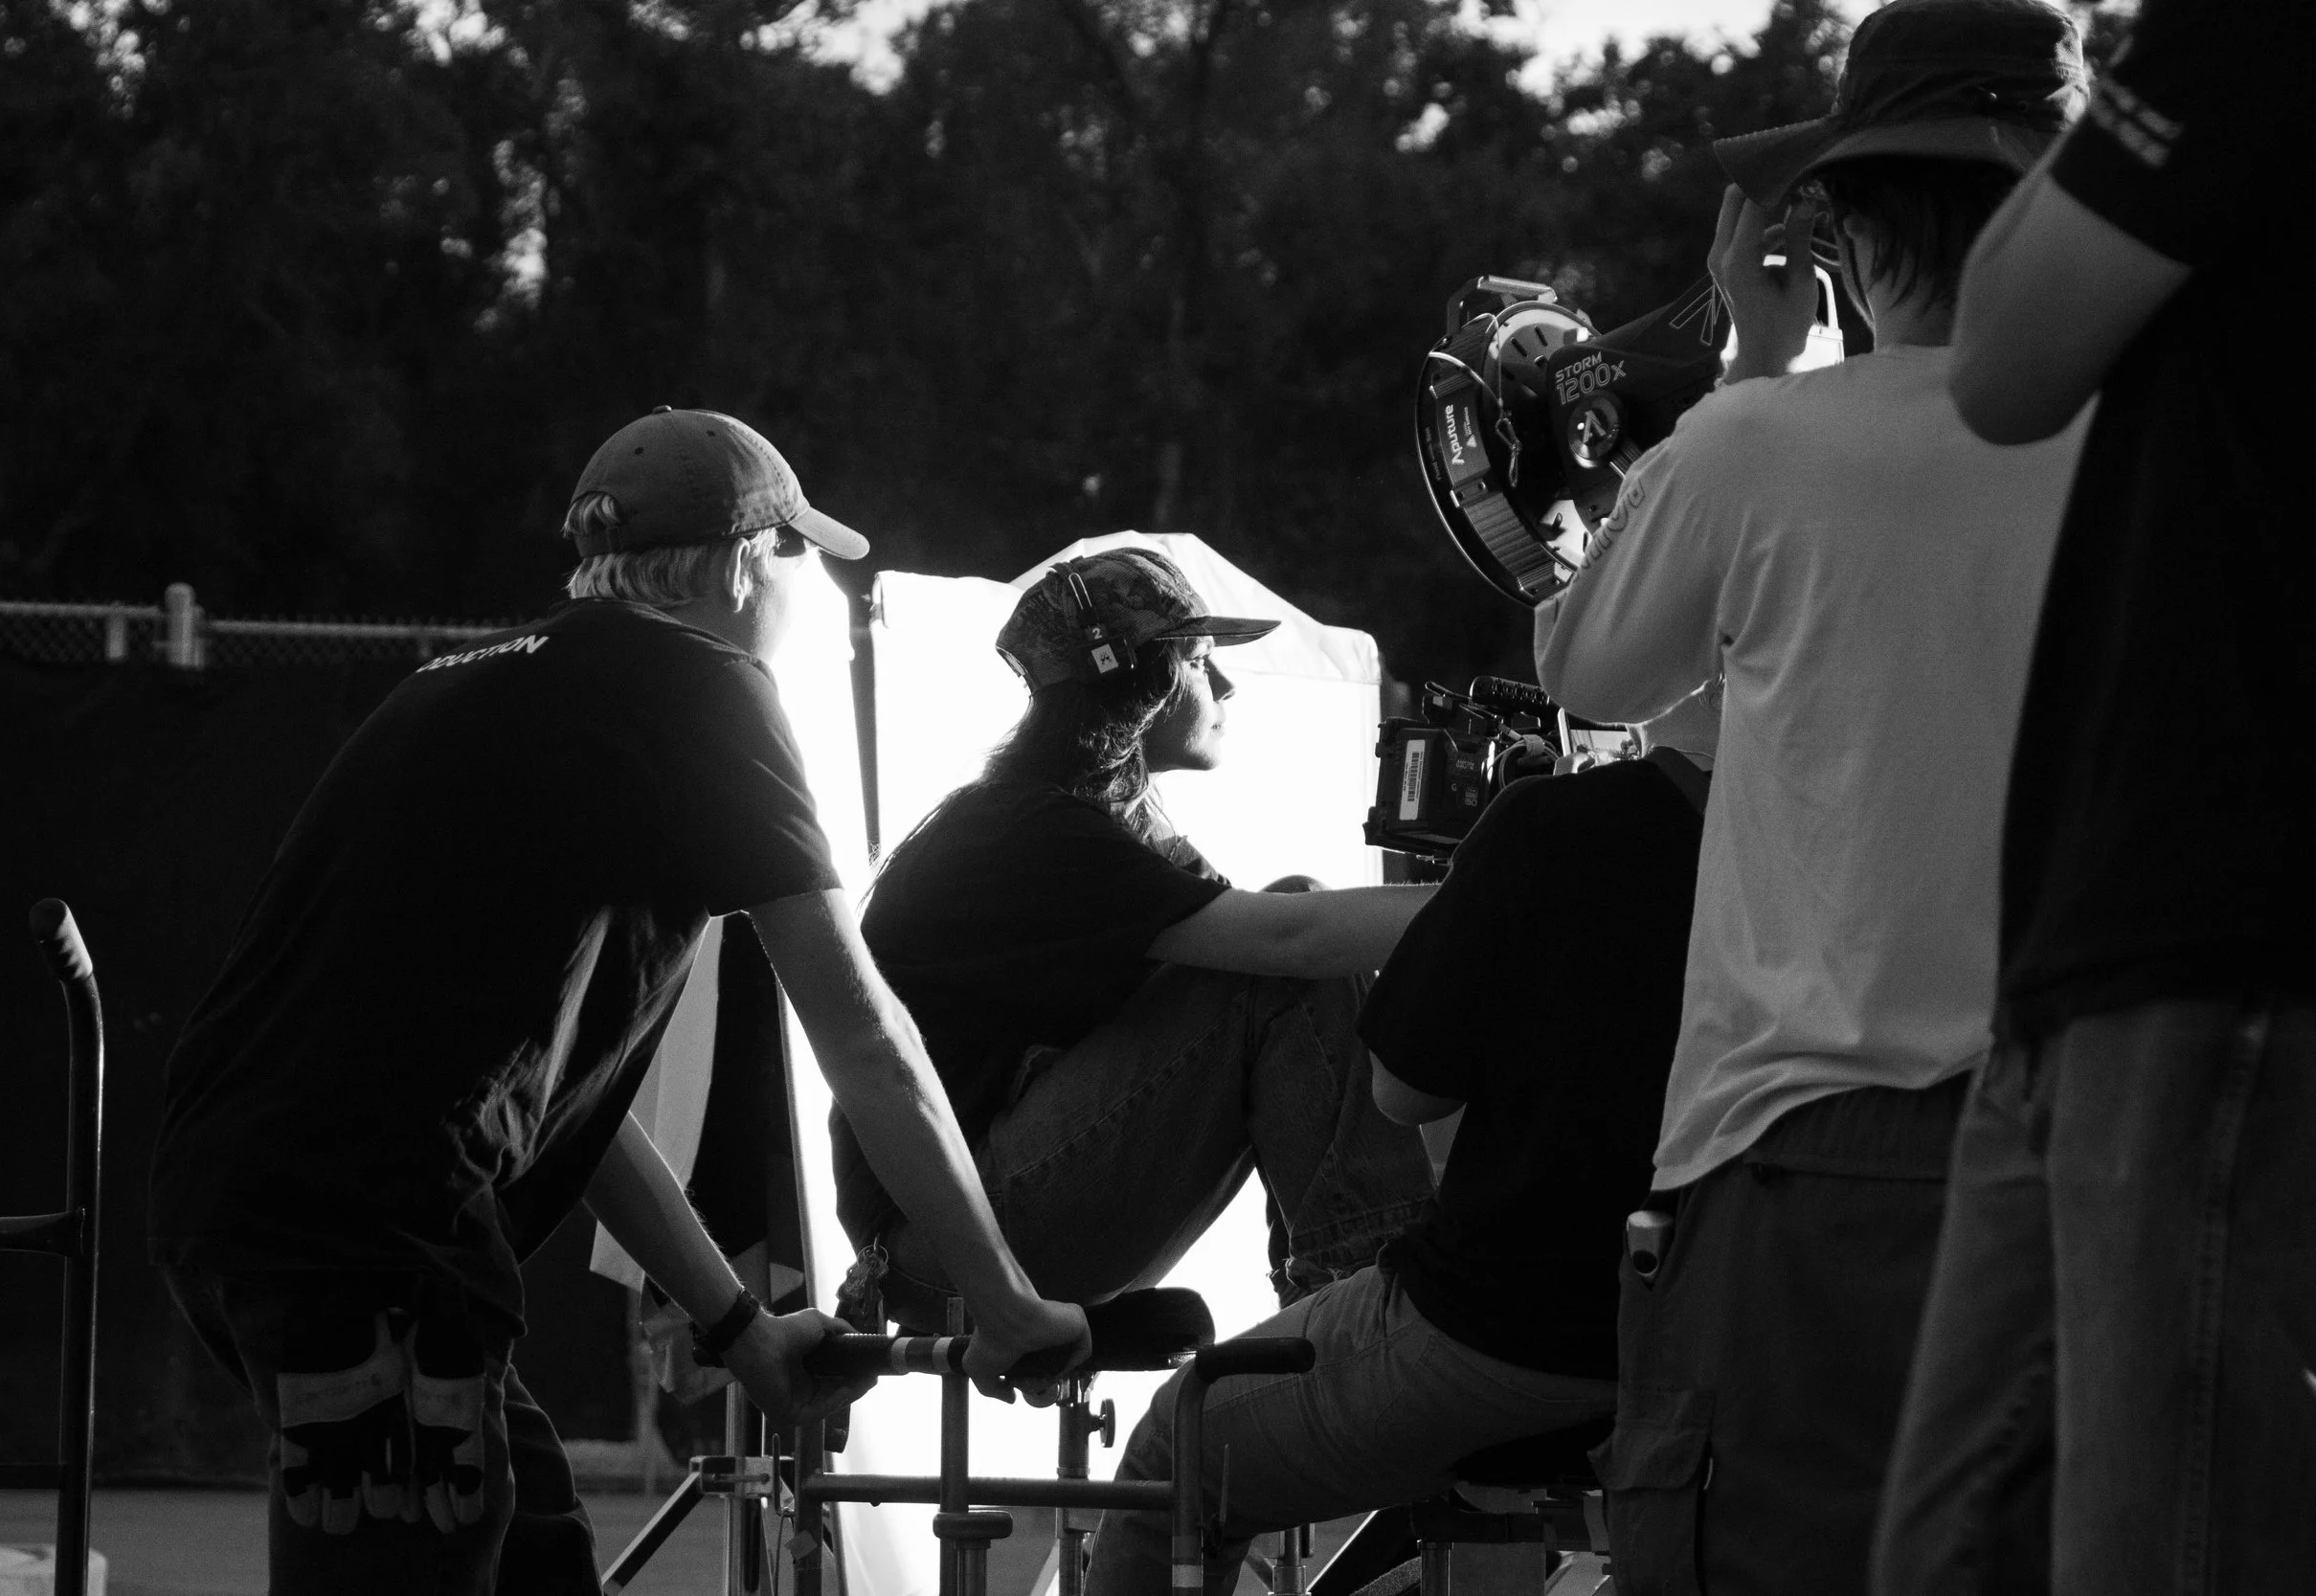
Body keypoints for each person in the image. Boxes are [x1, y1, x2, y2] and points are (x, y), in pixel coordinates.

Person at [148, 408, 1087, 1596]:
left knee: (532, 1549)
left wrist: (740, 1327)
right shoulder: (702, 687)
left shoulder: (464, 684)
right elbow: (862, 1031)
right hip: (367, 1229)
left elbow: (562, 1104)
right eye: (801, 554)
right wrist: (1003, 1300)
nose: (816, 590)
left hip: (254, 1195)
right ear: (746, 562)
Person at [1528, 3, 2093, 1588]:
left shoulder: (1760, 444)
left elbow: (1589, 669)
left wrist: (1747, 358)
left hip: (1801, 1158)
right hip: (2088, 1147)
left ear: (1837, 221)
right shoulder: (2157, 440)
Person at [1871, 0, 2316, 1588]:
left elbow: (2004, 355)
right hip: (2134, 932)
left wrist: (2087, 98)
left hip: (2203, 930)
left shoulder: (2251, 36)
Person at [1082, 684, 1720, 1596]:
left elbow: (1403, 1090)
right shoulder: (1835, 842)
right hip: (1733, 1335)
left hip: (1516, 1328)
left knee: (1176, 1448)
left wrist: (1487, 896)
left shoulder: (1556, 824)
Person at [832, 546, 1436, 1331]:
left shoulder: (1104, 819)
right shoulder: (1034, 829)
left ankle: (1349, 1301)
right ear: (1138, 679)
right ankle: (1377, 1312)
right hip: (946, 1243)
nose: (1224, 686)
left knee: (1295, 955)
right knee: (1292, 954)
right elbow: (1294, 941)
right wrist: (1511, 887)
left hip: (981, 1209)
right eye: (1199, 661)